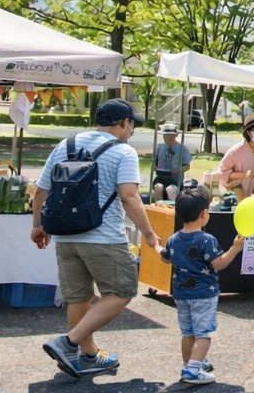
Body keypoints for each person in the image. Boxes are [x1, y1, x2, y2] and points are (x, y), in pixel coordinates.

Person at [37, 99, 161, 379]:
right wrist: (150, 235)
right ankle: (68, 343)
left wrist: (38, 226)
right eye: (132, 125)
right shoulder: (123, 151)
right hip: (104, 238)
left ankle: (88, 356)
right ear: (124, 123)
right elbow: (129, 196)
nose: (132, 130)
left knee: (78, 298)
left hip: (66, 237)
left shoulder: (66, 144)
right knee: (121, 291)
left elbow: (41, 190)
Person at [161, 189, 243, 385]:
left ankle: (189, 365)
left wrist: (156, 246)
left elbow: (165, 258)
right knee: (203, 335)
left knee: (188, 333)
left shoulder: (173, 239)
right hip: (204, 294)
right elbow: (219, 264)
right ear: (204, 214)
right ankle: (193, 370)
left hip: (181, 294)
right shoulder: (206, 240)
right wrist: (235, 248)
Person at [217, 112, 254, 202]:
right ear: (248, 133)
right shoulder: (235, 151)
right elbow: (222, 173)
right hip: (238, 199)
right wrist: (244, 175)